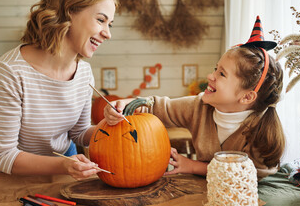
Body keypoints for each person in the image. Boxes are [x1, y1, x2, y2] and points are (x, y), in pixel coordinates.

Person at [104, 16, 285, 180]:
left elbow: (246, 173)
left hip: (247, 194)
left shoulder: (262, 131)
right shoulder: (199, 106)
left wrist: (193, 166)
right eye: (216, 68)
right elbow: (158, 107)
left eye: (222, 74)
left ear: (247, 97)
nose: (210, 76)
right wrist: (126, 104)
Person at [0, 0, 117, 181]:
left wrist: (113, 126)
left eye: (110, 24)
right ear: (69, 12)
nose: (107, 33)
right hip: (6, 180)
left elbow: (78, 134)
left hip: (60, 174)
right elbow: (1, 155)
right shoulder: (10, 72)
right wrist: (63, 164)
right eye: (100, 20)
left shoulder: (84, 73)